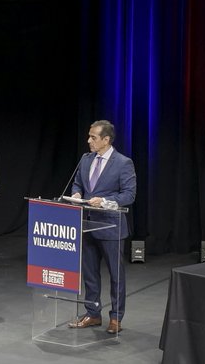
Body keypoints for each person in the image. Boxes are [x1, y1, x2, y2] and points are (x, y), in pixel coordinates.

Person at [67, 120, 136, 335]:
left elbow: (129, 195)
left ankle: (116, 317)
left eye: (93, 137)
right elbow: (78, 182)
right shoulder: (86, 159)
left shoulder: (123, 163)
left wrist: (104, 201)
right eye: (89, 136)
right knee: (89, 274)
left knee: (116, 276)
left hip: (110, 226)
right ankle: (93, 313)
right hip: (87, 225)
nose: (89, 140)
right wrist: (77, 193)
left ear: (106, 140)